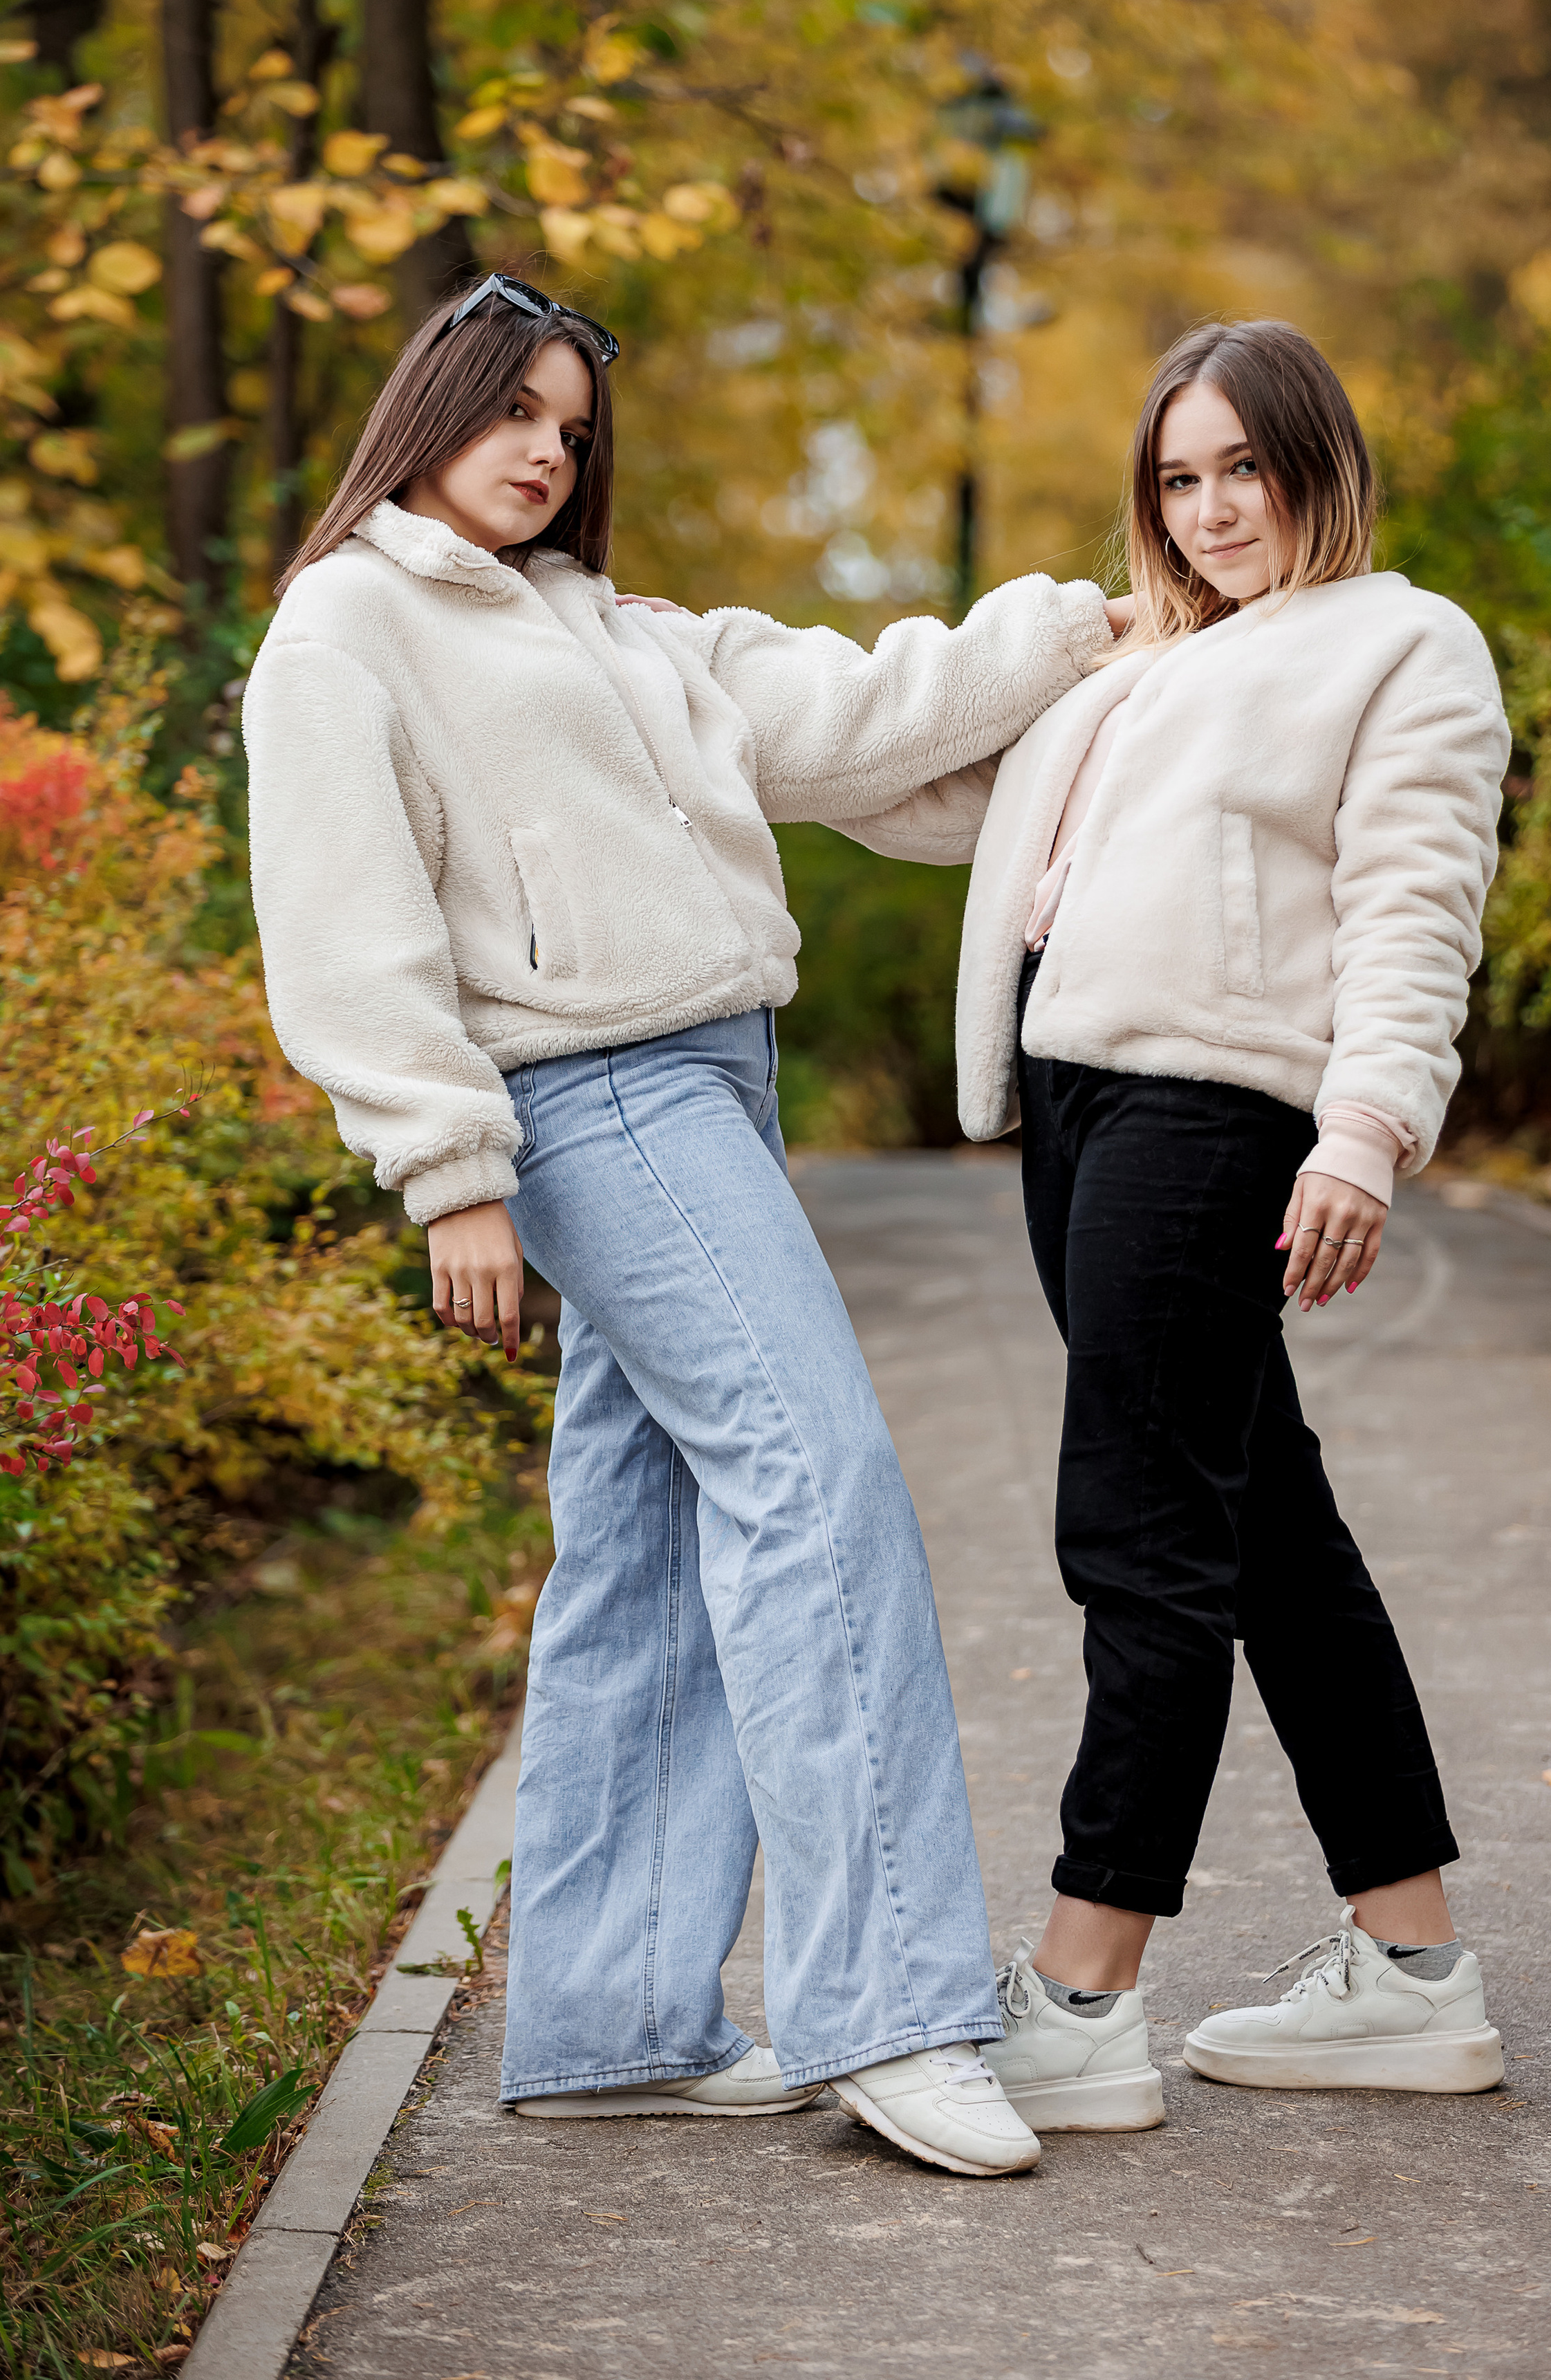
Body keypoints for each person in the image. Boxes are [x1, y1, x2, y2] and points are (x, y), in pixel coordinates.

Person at [242, 273, 1128, 2179]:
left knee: (647, 1543)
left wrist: (1091, 639)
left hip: (711, 1077)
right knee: (818, 1485)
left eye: (573, 427)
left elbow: (864, 708)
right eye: (515, 414)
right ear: (433, 412)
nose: (549, 451)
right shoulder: (349, 623)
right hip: (589, 1093)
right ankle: (887, 2007)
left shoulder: (621, 627)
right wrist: (445, 1165)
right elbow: (342, 909)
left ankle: (615, 2016)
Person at [875, 318, 1511, 2125]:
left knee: (1139, 1532)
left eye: (1248, 465)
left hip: (1218, 1110)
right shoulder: (1145, 659)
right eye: (1180, 475)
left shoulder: (1404, 643)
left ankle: (1081, 2003)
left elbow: (1414, 904)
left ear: (1319, 463)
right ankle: (1411, 1969)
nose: (1215, 506)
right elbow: (928, 793)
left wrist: (1364, 1138)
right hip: (1078, 1109)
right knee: (1269, 1537)